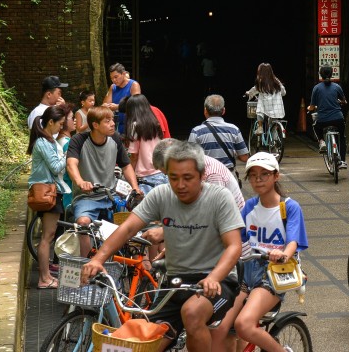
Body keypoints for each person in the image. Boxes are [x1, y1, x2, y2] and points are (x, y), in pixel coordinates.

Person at [81, 141, 243, 352]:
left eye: (187, 178)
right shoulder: (161, 194)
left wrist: (213, 278)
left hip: (217, 281)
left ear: (202, 175)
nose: (180, 185)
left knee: (192, 314)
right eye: (173, 178)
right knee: (146, 346)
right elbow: (128, 228)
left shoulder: (219, 198)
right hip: (174, 283)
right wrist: (98, 259)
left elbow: (234, 246)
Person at [230, 152, 308, 352]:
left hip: (274, 272)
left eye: (264, 174)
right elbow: (234, 235)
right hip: (248, 270)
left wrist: (283, 254)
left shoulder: (289, 207)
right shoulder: (249, 206)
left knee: (243, 324)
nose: (258, 179)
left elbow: (293, 241)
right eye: (253, 175)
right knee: (222, 323)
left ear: (276, 176)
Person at [65, 105, 141, 257]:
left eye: (112, 119)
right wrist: (81, 182)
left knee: (128, 228)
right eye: (107, 121)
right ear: (95, 125)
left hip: (111, 195)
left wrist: (135, 187)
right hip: (86, 197)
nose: (113, 123)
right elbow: (71, 164)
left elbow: (126, 165)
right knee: (83, 223)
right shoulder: (79, 140)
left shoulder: (115, 139)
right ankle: (87, 265)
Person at [28, 105, 70, 289]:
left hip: (52, 191)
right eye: (59, 124)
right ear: (50, 122)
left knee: (49, 236)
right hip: (48, 192)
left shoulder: (48, 141)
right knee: (47, 237)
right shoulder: (44, 142)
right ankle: (44, 278)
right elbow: (55, 167)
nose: (61, 128)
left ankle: (45, 277)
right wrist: (69, 153)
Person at [153, 139, 244, 210]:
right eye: (172, 177)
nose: (180, 185)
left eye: (170, 175)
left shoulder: (213, 175)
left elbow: (213, 212)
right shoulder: (194, 161)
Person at [188, 94, 250, 176]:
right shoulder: (234, 129)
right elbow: (244, 157)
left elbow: (190, 158)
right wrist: (234, 153)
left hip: (207, 177)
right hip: (228, 176)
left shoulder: (196, 131)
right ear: (224, 110)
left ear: (205, 111)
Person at [126, 97, 167, 194]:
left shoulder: (135, 125)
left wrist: (130, 173)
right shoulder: (155, 122)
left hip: (146, 175)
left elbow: (134, 155)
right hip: (161, 171)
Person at [308, 65, 347, 167]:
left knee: (315, 126)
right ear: (332, 74)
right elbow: (344, 101)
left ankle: (321, 141)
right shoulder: (337, 87)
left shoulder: (316, 88)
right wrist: (340, 101)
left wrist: (309, 108)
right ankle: (342, 161)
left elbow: (312, 106)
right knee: (342, 138)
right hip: (338, 118)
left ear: (320, 75)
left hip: (323, 120)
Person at [246, 63, 286, 133]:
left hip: (265, 108)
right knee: (273, 124)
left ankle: (260, 127)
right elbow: (283, 92)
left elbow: (254, 90)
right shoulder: (276, 81)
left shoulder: (260, 82)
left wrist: (248, 93)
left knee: (259, 111)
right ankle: (274, 139)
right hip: (276, 108)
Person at [102, 63, 141, 137]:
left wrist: (117, 107)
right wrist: (106, 106)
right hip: (116, 124)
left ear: (123, 74)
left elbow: (136, 105)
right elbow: (105, 104)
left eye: (116, 77)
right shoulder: (113, 87)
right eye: (111, 78)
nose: (114, 80)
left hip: (130, 124)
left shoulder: (134, 85)